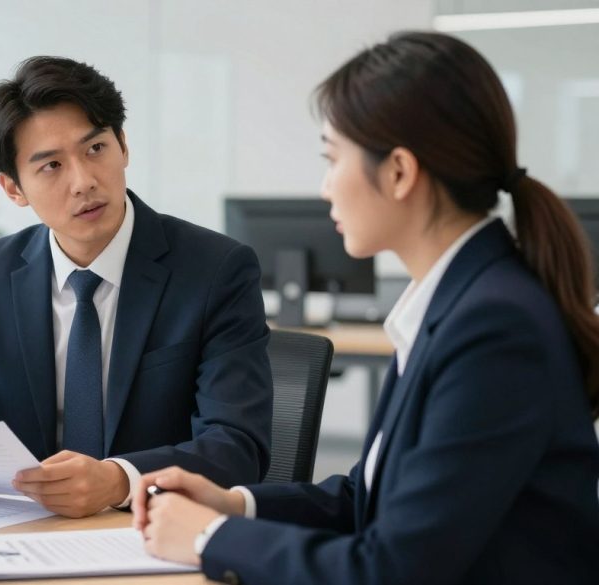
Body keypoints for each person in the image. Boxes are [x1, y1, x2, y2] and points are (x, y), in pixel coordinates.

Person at [133, 31, 599, 584]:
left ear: (399, 172)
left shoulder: (494, 326)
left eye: (333, 160)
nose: (326, 187)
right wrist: (234, 506)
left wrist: (209, 539)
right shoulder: (456, 302)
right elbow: (368, 497)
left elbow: (393, 568)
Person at [0, 56, 273, 518]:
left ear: (123, 146)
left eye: (95, 149)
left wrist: (118, 480)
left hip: (156, 535)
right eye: (51, 165)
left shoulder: (215, 270)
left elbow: (236, 445)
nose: (84, 181)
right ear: (14, 188)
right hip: (26, 539)